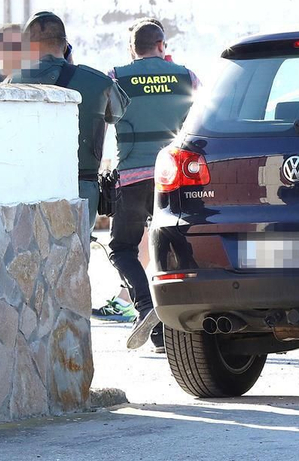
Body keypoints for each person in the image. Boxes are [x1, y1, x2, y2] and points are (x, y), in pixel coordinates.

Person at [108, 19, 198, 350]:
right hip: (175, 175)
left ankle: (146, 308)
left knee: (122, 248)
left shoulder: (116, 77)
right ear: (162, 46)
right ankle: (178, 325)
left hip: (132, 176)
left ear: (133, 49)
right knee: (178, 245)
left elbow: (105, 120)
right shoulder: (187, 76)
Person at [8, 12, 126, 239]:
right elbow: (116, 115)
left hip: (28, 188)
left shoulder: (12, 83)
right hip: (82, 188)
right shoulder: (100, 82)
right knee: (78, 258)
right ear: (65, 45)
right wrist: (70, 67)